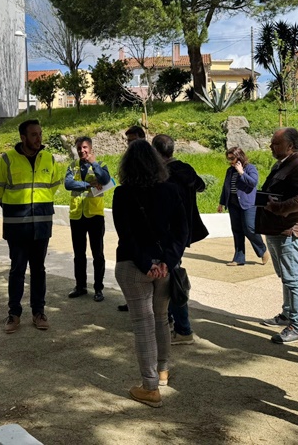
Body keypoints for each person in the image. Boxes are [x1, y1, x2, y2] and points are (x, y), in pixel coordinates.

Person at [112, 139, 188, 407]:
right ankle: (163, 370)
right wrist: (167, 260)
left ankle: (149, 386)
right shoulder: (171, 190)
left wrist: (147, 264)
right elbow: (182, 231)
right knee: (161, 319)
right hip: (165, 267)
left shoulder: (122, 194)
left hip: (134, 265)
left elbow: (126, 235)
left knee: (143, 324)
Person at [0, 119, 63, 333]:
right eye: (33, 134)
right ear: (23, 137)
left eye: (40, 133)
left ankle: (38, 312)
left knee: (39, 270)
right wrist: (11, 207)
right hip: (17, 226)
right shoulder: (7, 160)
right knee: (17, 270)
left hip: (41, 225)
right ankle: (14, 314)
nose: (38, 138)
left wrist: (39, 205)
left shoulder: (49, 158)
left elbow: (54, 184)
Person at [256, 128, 298, 344]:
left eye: (276, 143)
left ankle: (297, 326)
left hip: (290, 231)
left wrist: (280, 208)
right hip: (276, 230)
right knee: (285, 276)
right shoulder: (282, 164)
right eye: (272, 142)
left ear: (290, 145)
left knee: (293, 279)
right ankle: (287, 314)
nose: (271, 146)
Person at [151, 134, 208, 345]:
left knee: (171, 279)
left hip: (168, 235)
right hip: (184, 232)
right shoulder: (186, 169)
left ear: (156, 152)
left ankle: (183, 328)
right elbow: (201, 185)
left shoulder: (163, 175)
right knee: (172, 276)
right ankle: (171, 321)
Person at [65, 136, 111, 302]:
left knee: (97, 254)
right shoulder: (72, 166)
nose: (82, 151)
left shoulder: (101, 164)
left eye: (84, 147)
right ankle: (80, 286)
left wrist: (94, 164)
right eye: (79, 148)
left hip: (95, 215)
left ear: (90, 148)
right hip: (77, 214)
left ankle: (98, 288)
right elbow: (68, 184)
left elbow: (105, 180)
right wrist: (88, 185)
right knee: (79, 254)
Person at [218, 147, 269, 266]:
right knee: (237, 230)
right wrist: (221, 203)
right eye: (228, 159)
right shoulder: (230, 171)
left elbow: (253, 182)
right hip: (233, 204)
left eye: (232, 158)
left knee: (249, 228)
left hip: (248, 203)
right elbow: (226, 187)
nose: (230, 161)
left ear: (239, 157)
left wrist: (242, 172)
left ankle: (262, 250)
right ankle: (239, 258)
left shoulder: (250, 168)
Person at [118, 125, 146, 312]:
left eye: (133, 141)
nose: (130, 145)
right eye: (128, 141)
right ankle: (132, 300)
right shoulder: (128, 162)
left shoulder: (149, 158)